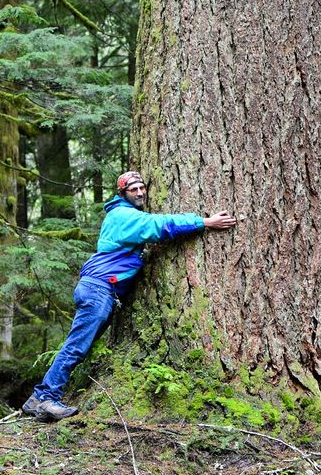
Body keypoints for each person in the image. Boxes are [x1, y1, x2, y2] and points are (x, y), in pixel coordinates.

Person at [21, 171, 236, 422]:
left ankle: (36, 400)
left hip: (100, 289)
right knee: (76, 346)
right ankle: (46, 397)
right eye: (133, 189)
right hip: (98, 288)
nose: (140, 192)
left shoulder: (123, 215)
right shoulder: (123, 216)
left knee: (79, 346)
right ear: (122, 194)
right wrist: (204, 222)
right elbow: (159, 226)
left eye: (142, 187)